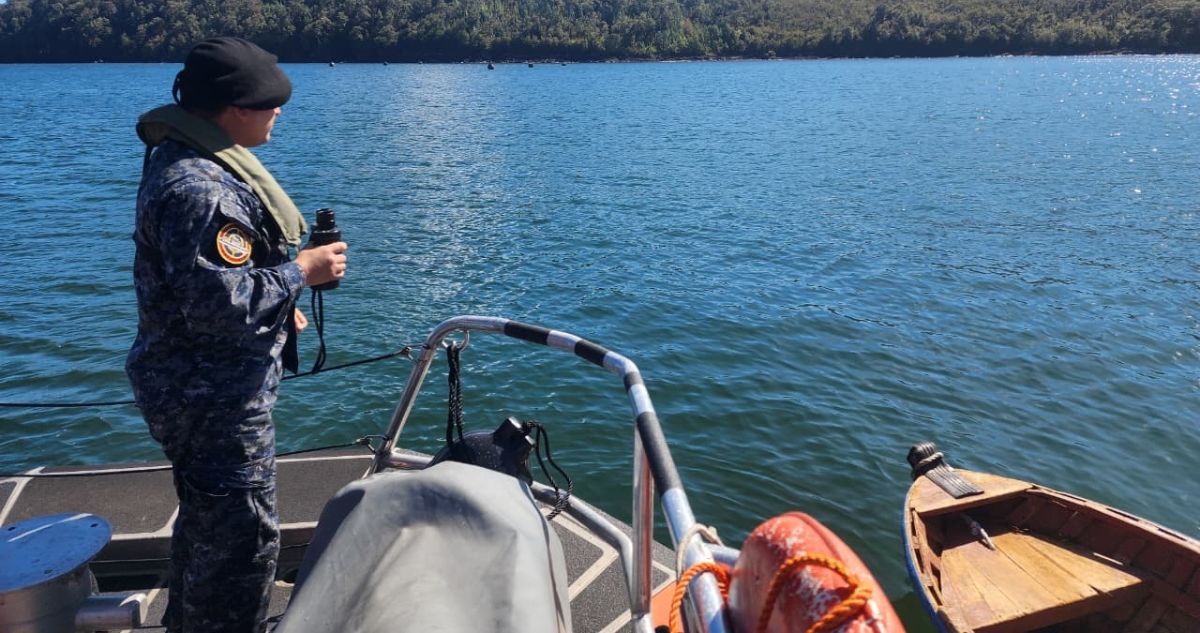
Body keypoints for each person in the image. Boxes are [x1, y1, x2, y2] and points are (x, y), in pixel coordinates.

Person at [126, 36, 347, 633]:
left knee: (207, 533)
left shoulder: (181, 160)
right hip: (212, 402)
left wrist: (278, 304)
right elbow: (220, 306)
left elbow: (204, 287)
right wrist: (301, 272)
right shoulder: (201, 189)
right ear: (232, 110)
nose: (278, 113)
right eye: (269, 104)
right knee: (240, 548)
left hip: (190, 387)